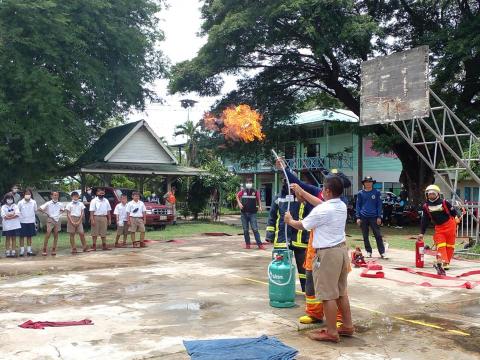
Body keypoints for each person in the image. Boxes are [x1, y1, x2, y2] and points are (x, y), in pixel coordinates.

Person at [285, 176, 354, 343]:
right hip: (341, 252)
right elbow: (321, 204)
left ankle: (331, 332)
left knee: (327, 295)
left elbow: (303, 225)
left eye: (323, 188)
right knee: (341, 292)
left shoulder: (322, 211)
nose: (322, 190)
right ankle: (347, 326)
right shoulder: (341, 205)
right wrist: (303, 193)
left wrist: (290, 220)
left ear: (328, 191)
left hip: (327, 255)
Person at [266, 179, 310, 291]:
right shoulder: (278, 198)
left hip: (300, 240)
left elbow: (309, 219)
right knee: (281, 268)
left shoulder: (302, 198)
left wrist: (308, 237)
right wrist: (269, 235)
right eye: (286, 182)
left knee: (304, 269)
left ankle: (307, 291)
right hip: (282, 240)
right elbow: (272, 218)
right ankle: (282, 290)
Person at [418, 184, 459, 274]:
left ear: (437, 194)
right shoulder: (426, 206)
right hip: (439, 228)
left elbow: (453, 212)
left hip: (450, 226)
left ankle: (447, 263)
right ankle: (442, 261)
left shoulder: (444, 202)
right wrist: (422, 233)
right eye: (429, 193)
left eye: (433, 193)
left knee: (450, 246)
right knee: (440, 245)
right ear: (426, 195)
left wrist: (456, 217)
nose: (431, 195)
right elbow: (425, 220)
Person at [356, 176, 386, 258]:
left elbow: (379, 205)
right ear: (364, 183)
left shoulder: (377, 192)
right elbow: (358, 206)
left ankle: (382, 252)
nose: (368, 183)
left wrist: (379, 216)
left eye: (370, 182)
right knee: (365, 236)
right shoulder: (360, 193)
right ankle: (368, 251)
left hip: (374, 217)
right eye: (366, 182)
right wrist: (358, 217)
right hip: (363, 217)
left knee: (378, 235)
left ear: (372, 183)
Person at [236, 178, 264, 250]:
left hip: (253, 213)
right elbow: (237, 196)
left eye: (250, 182)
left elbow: (258, 199)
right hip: (244, 213)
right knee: (245, 230)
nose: (249, 183)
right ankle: (247, 244)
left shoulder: (255, 191)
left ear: (252, 183)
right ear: (246, 183)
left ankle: (260, 245)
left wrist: (260, 206)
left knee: (255, 229)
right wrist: (239, 203)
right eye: (248, 182)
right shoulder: (243, 191)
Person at [38, 191, 64, 256]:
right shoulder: (48, 203)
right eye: (54, 195)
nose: (56, 196)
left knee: (56, 234)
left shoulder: (60, 204)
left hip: (57, 220)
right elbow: (39, 209)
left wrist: (59, 214)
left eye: (57, 195)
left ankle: (54, 249)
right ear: (51, 196)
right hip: (50, 219)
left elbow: (62, 210)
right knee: (48, 233)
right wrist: (47, 213)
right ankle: (44, 249)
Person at [18, 188, 37, 256]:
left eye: (29, 194)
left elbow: (35, 210)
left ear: (31, 194)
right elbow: (18, 212)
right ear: (24, 194)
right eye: (26, 194)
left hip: (31, 221)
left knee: (29, 236)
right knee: (21, 236)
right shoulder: (20, 202)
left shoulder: (33, 202)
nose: (28, 195)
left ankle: (29, 250)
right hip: (22, 221)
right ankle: (22, 251)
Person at [1, 193, 21, 258]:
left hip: (14, 225)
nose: (10, 200)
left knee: (14, 238)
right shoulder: (3, 207)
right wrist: (12, 215)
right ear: (5, 199)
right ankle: (7, 251)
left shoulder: (15, 206)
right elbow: (3, 215)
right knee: (7, 238)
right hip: (7, 226)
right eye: (8, 198)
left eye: (11, 198)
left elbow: (17, 213)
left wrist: (9, 216)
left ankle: (13, 251)